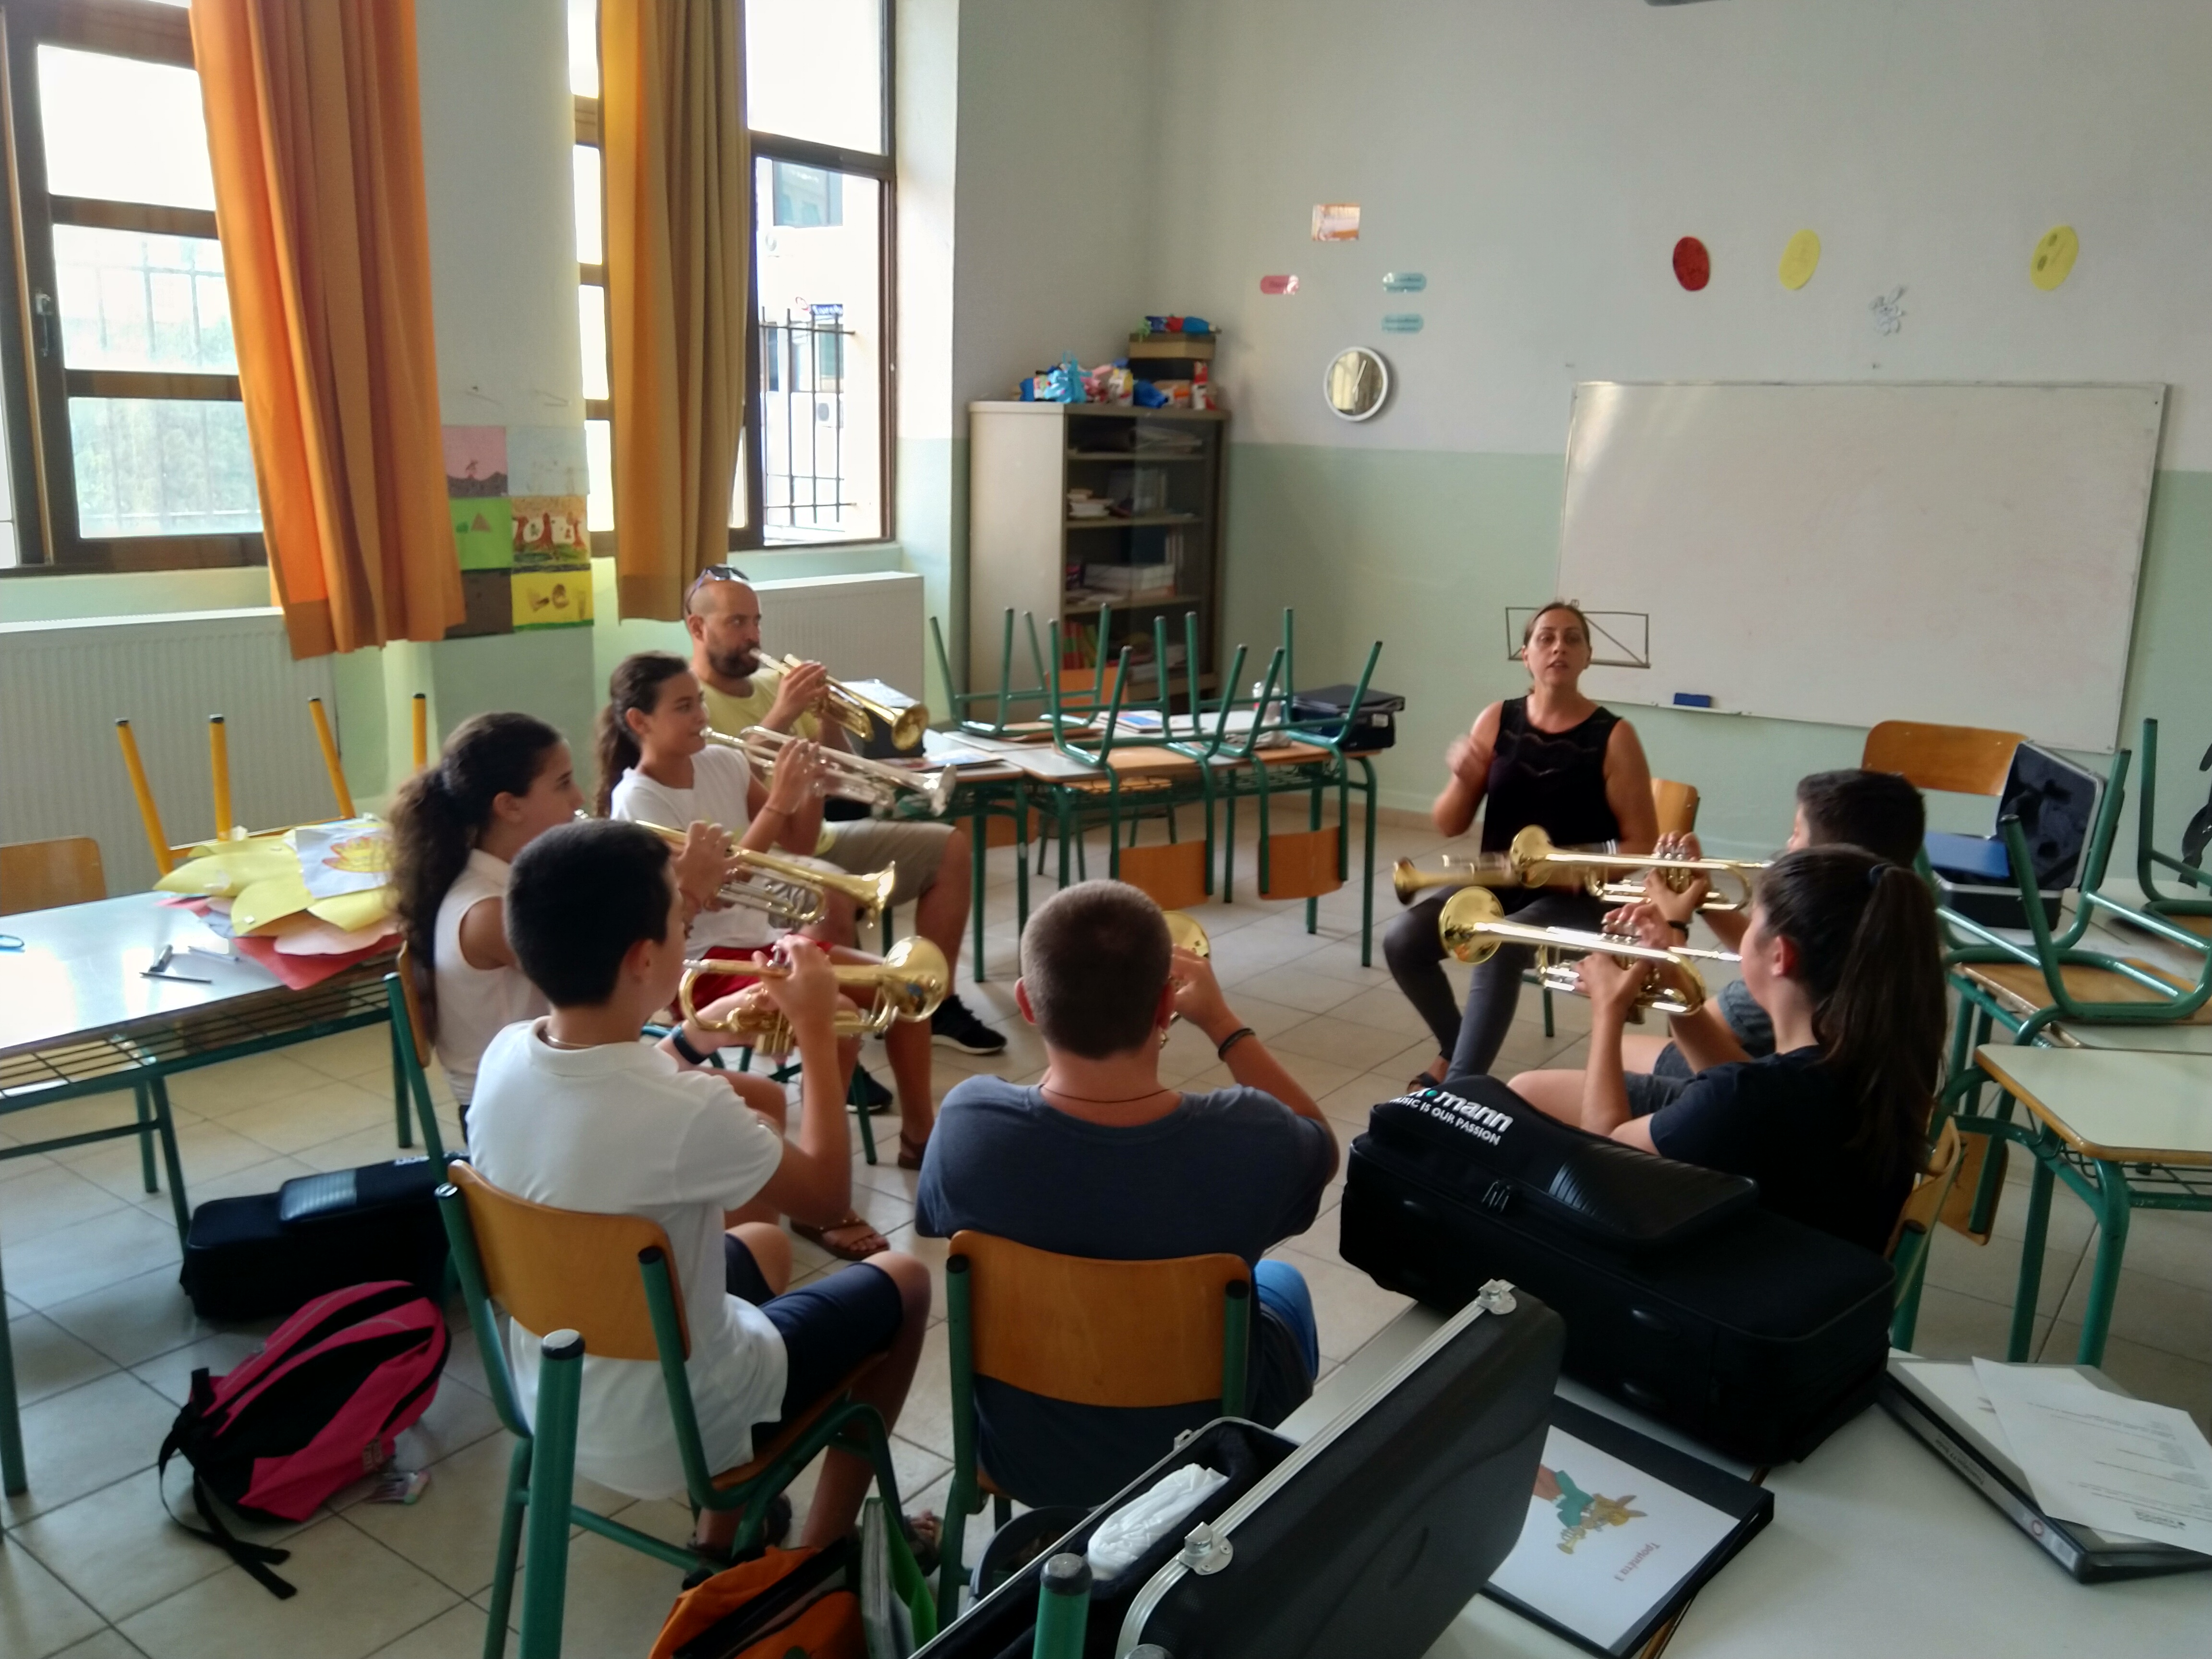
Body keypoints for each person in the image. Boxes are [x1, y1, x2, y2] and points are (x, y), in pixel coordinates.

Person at [468, 818, 932, 1557]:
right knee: (906, 1281)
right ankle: (823, 1547)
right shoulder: (689, 1112)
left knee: (761, 1243)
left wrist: (693, 1037)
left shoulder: (503, 1058)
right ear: (644, 958)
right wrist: (818, 1034)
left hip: (550, 1401)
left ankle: (725, 1535)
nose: (690, 927)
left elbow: (616, 1089)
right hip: (678, 1427)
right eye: (680, 919)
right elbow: (826, 1196)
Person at [914, 880, 1335, 1507]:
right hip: (1196, 1468)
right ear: (1166, 1005)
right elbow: (1320, 1145)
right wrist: (1223, 1024)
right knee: (1281, 1284)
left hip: (1023, 1457)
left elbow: (937, 1220)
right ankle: (1262, 1501)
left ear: (1027, 1003)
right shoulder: (1253, 1136)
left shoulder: (968, 1122)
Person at [601, 651, 940, 1258]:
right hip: (699, 964)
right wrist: (780, 801)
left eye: (699, 702)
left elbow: (800, 841)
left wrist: (808, 787)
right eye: (684, 707)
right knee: (835, 1013)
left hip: (765, 945)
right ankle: (818, 1195)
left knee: (904, 985)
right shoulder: (637, 802)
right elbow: (707, 892)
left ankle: (921, 1137)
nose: (702, 715)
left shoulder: (724, 761)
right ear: (639, 722)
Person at [1552, 844, 1946, 1253]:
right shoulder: (1878, 1056)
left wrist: (1608, 1008)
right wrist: (1673, 978)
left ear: (1780, 956)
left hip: (1728, 1274)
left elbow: (1605, 1157)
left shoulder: (1746, 1097)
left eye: (1754, 921)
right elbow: (1751, 1094)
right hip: (1816, 1259)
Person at [684, 565, 1007, 1057]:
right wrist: (784, 714)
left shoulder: (772, 683)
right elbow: (728, 778)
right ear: (697, 627)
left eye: (756, 621)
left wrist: (828, 714)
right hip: (754, 859)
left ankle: (936, 1005)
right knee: (830, 894)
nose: (753, 636)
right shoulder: (689, 704)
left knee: (949, 847)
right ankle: (840, 1041)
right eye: (736, 622)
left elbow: (837, 774)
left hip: (817, 835)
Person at [1507, 768, 1926, 1120]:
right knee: (1622, 1053)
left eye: (1796, 834)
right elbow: (1760, 956)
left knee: (1527, 1090)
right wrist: (1702, 901)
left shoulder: (1802, 988)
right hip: (1774, 1096)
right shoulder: (1885, 933)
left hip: (1745, 1108)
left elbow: (1699, 1033)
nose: (1787, 846)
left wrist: (1621, 994)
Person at [387, 710, 725, 1114]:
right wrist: (685, 894)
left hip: (560, 1075)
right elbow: (623, 983)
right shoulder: (487, 911)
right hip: (522, 1105)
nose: (579, 798)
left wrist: (649, 874)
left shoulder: (526, 879)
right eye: (563, 783)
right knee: (739, 1103)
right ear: (510, 807)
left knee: (748, 1097)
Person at [1385, 601, 1657, 1086]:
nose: (1559, 647)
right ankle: (1455, 1046)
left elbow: (1643, 841)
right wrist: (1462, 778)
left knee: (1500, 944)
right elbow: (1449, 823)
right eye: (1546, 638)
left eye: (1572, 638)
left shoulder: (1615, 736)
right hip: (1498, 886)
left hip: (1576, 900)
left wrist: (1581, 868)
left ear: (1588, 656)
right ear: (1526, 655)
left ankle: (1459, 1091)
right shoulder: (1497, 719)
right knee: (1402, 941)